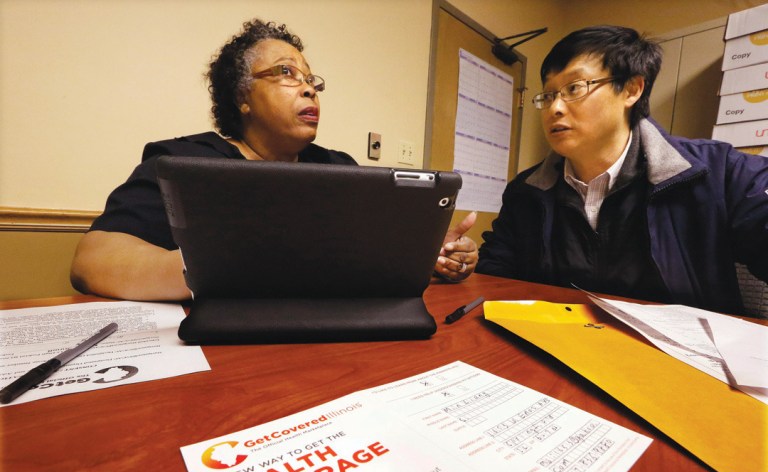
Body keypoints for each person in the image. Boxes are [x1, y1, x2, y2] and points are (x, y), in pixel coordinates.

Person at [71, 19, 478, 301]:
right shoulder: (182, 160)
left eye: (312, 81)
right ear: (242, 97)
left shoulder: (340, 168)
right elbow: (92, 261)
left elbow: (374, 261)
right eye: (287, 73)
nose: (309, 90)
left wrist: (429, 255)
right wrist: (211, 266)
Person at [477, 25, 768, 315]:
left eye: (574, 88)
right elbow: (495, 272)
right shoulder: (526, 190)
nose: (555, 108)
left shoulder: (717, 171)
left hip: (677, 354)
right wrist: (459, 265)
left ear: (631, 89)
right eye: (548, 95)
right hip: (555, 345)